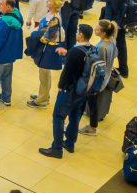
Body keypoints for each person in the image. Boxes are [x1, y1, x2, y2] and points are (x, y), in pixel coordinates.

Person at [38, 23, 95, 158]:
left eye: (77, 31)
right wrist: (67, 53)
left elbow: (67, 72)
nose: (76, 33)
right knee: (75, 116)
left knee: (58, 117)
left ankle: (56, 149)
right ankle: (70, 143)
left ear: (81, 35)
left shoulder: (75, 52)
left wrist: (61, 85)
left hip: (69, 90)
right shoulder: (92, 49)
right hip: (83, 90)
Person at [26, 0, 66, 109]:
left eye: (49, 1)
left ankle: (42, 100)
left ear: (54, 4)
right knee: (44, 74)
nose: (47, 2)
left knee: (44, 74)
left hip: (48, 48)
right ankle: (43, 95)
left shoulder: (55, 18)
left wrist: (35, 37)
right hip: (45, 47)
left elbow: (47, 37)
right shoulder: (50, 13)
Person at [79, 20, 118, 136]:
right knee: (92, 102)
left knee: (89, 102)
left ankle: (91, 127)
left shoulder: (101, 47)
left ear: (103, 33)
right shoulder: (112, 40)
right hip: (106, 75)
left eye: (97, 29)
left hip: (97, 80)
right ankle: (91, 125)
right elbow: (115, 54)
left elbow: (97, 65)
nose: (94, 30)